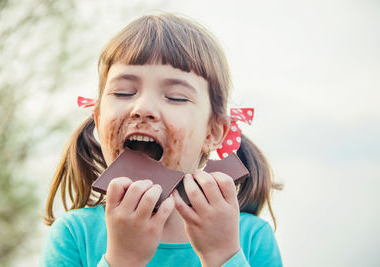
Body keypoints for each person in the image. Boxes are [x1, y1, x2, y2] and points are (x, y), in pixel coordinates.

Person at [42, 13, 283, 267]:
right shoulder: (74, 235)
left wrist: (222, 255)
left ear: (212, 132)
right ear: (99, 120)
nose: (143, 108)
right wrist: (122, 259)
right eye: (123, 92)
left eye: (176, 97)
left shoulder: (252, 239)